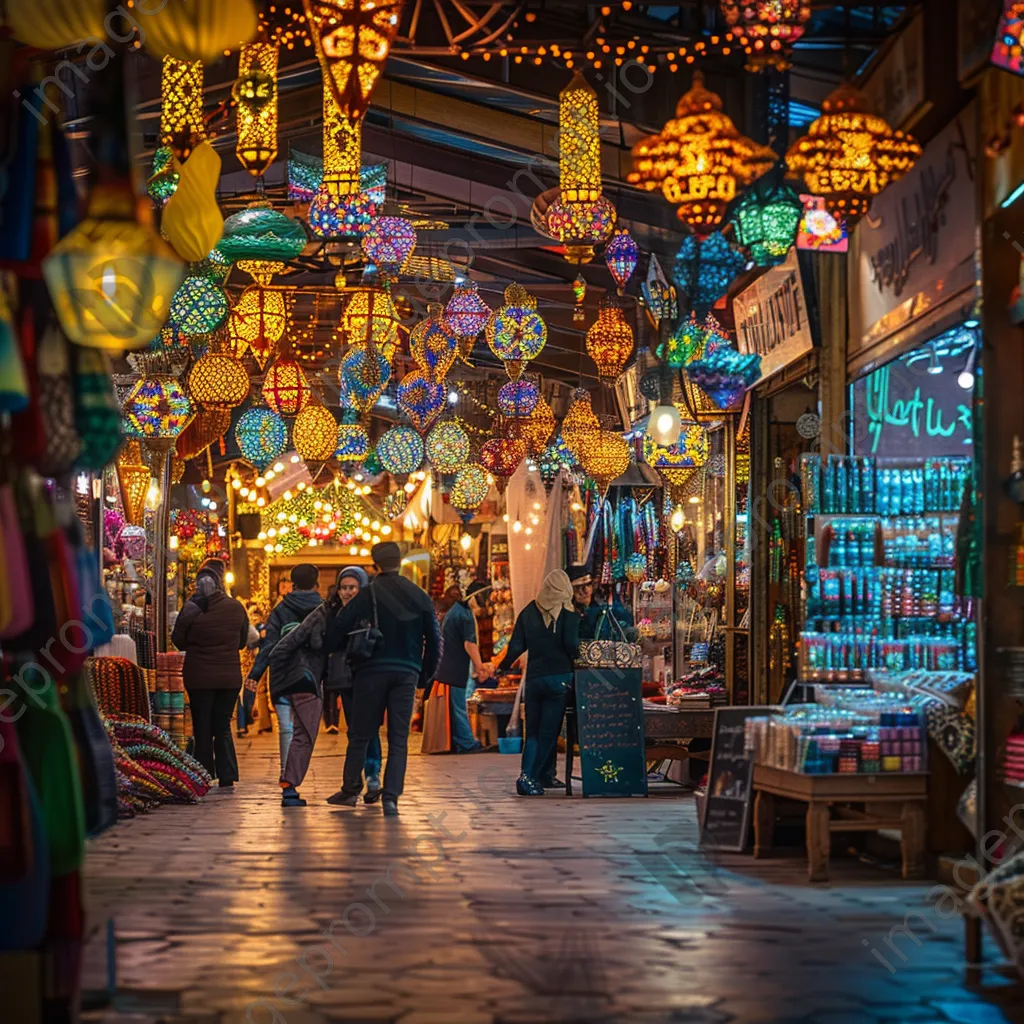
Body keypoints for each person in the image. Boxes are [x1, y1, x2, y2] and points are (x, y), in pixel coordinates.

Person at [324, 542, 440, 816]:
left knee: (361, 733)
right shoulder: (419, 594)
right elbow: (435, 639)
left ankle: (351, 790)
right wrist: (425, 675)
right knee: (398, 737)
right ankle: (391, 797)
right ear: (399, 562)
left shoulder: (367, 595)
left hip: (370, 672)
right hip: (407, 671)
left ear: (375, 565)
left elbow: (337, 631)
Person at [501, 569, 580, 796]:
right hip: (558, 680)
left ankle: (536, 776)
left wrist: (501, 667)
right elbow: (571, 644)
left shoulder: (528, 611)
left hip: (534, 680)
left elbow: (516, 647)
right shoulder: (568, 611)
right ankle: (528, 777)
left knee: (533, 733)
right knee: (547, 733)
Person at [170, 563, 250, 787]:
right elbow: (243, 642)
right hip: (229, 678)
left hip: (199, 678)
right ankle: (228, 775)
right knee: (222, 725)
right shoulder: (236, 608)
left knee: (202, 726)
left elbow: (178, 640)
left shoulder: (191, 609)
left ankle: (203, 775)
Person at [246, 565, 324, 778]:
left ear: (292, 584)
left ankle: (284, 774)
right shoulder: (324, 609)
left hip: (281, 673)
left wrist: (255, 673)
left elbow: (269, 644)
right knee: (305, 728)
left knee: (286, 727)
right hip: (312, 675)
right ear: (317, 583)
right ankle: (293, 776)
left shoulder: (281, 610)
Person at [325, 567, 384, 797]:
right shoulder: (333, 611)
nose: (348, 592)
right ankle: (356, 780)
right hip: (347, 679)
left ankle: (372, 778)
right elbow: (330, 641)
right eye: (344, 588)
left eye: (353, 588)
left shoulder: (372, 611)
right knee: (354, 730)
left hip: (369, 676)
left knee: (370, 729)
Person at [433, 581, 491, 754]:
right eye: (481, 598)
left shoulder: (456, 611)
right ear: (473, 597)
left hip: (449, 666)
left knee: (456, 705)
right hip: (454, 667)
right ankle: (466, 742)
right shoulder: (465, 615)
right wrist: (480, 666)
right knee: (458, 706)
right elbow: (469, 644)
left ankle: (461, 741)